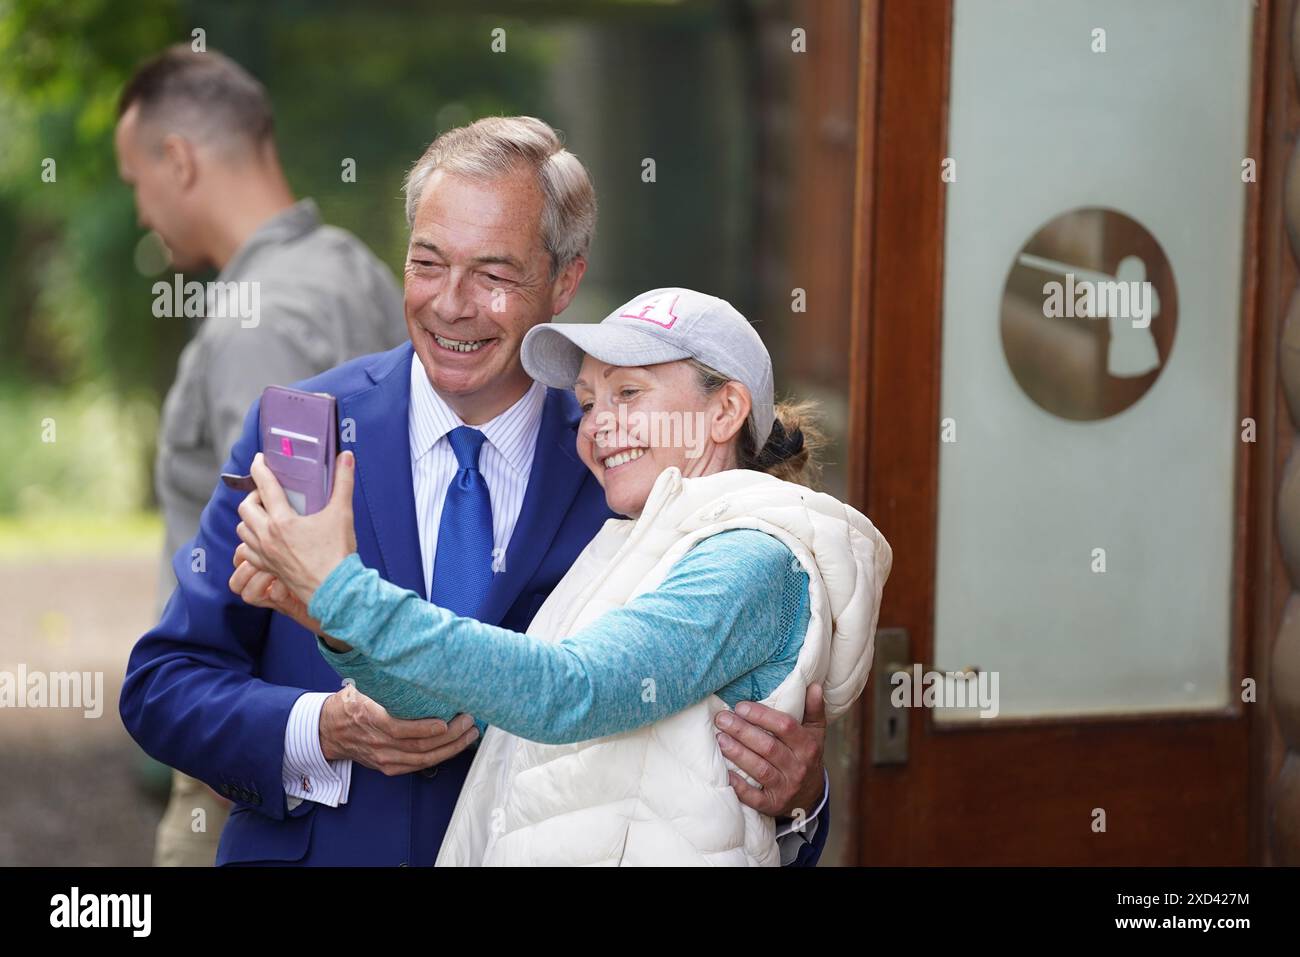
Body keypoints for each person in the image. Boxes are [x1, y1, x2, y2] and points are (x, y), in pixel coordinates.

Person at [120, 117, 832, 866]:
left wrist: (799, 797)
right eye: (428, 263)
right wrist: (320, 728)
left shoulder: (634, 475)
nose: (452, 303)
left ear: (565, 280)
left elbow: (674, 729)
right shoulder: (300, 432)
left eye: (494, 276)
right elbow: (163, 685)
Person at [231, 287, 892, 865]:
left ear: (724, 412)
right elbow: (466, 713)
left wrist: (345, 589)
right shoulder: (631, 545)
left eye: (628, 393)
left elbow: (572, 690)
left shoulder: (751, 555)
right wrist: (330, 619)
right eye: (586, 401)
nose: (597, 425)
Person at [115, 45, 407, 865]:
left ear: (178, 160)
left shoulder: (257, 322)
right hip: (357, 735)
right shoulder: (360, 270)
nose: (140, 210)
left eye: (136, 180)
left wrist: (238, 738)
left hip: (271, 746)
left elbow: (285, 551)